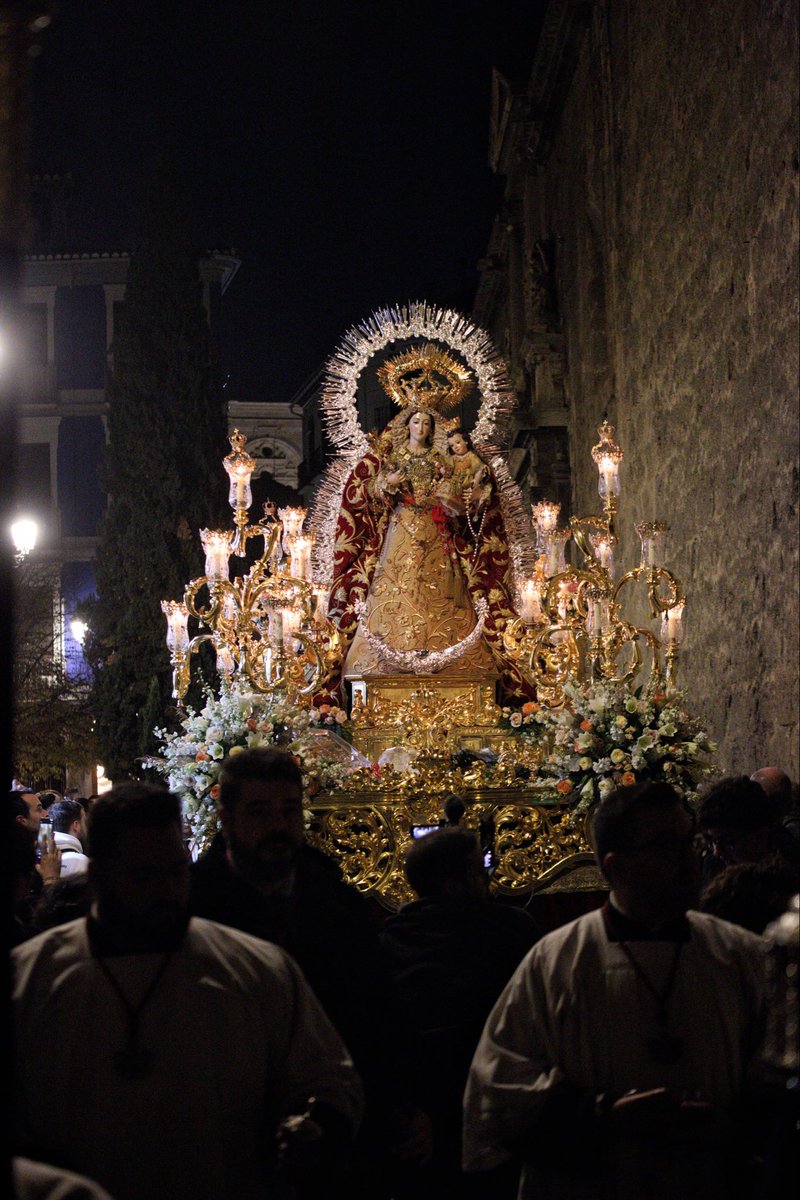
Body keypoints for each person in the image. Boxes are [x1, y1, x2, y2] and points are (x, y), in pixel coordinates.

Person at [12, 781, 363, 1200]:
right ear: (100, 874)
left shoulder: (255, 969)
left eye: (176, 870)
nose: (167, 890)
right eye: (144, 875)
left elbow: (326, 1081)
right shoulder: (33, 977)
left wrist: (313, 1128)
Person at [463, 780, 769, 1200]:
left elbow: (779, 1071)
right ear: (615, 867)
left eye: (692, 842)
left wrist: (735, 1125)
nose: (692, 860)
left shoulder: (738, 954)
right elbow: (498, 1091)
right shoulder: (557, 961)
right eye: (668, 847)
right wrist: (600, 1119)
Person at [189, 746, 430, 1199]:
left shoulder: (336, 902)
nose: (278, 826)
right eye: (259, 812)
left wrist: (406, 1103)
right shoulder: (193, 910)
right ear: (226, 817)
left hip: (338, 1139)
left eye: (289, 810)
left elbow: (378, 1008)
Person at [319, 393, 534, 704]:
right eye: (416, 422)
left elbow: (462, 488)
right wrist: (388, 483)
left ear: (433, 429)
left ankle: (456, 661)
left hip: (437, 530)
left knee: (445, 586)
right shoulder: (393, 456)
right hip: (401, 527)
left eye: (427, 423)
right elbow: (368, 490)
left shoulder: (442, 459)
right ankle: (383, 660)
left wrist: (461, 495)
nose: (421, 427)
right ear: (406, 425)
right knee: (396, 584)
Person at [380, 828, 540, 1198]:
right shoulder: (509, 930)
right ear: (454, 885)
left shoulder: (389, 941)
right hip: (501, 1105)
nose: (488, 880)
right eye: (479, 872)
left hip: (425, 1117)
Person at [697, 774, 800, 885]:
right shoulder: (715, 866)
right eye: (713, 841)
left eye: (728, 841)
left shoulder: (791, 867)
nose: (717, 852)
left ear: (760, 836)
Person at [48, 798, 90, 877]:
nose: (87, 827)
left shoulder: (44, 859)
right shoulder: (80, 862)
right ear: (76, 825)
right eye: (84, 821)